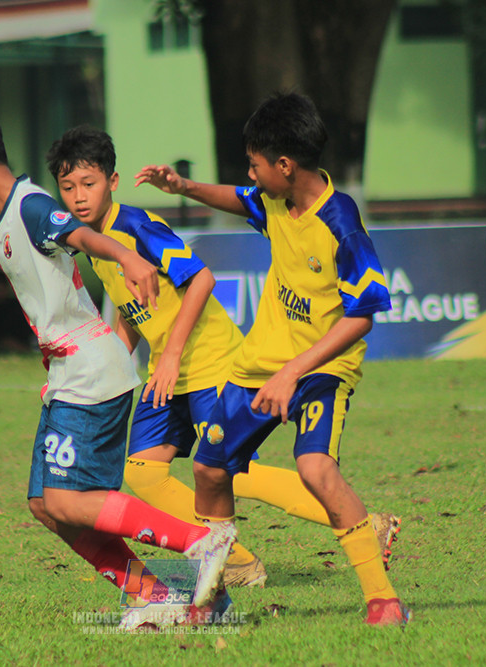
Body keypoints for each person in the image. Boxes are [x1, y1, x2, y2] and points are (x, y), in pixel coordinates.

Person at [0, 99, 238, 629]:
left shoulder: (31, 206)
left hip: (92, 370)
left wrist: (126, 256)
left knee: (70, 501)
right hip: (67, 373)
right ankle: (151, 594)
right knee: (44, 504)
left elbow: (78, 235)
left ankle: (202, 541)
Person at [45, 125, 402, 591]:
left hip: (209, 361)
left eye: (87, 185)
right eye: (67, 188)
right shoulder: (93, 242)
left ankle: (362, 526)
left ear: (112, 182)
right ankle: (234, 556)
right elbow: (133, 309)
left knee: (232, 469)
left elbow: (201, 279)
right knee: (143, 471)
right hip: (167, 371)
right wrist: (109, 364)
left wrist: (171, 355)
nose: (77, 197)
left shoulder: (137, 228)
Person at [135, 92, 411, 626]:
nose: (251, 174)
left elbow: (364, 315)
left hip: (322, 370)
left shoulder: (341, 222)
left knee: (316, 469)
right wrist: (185, 188)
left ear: (285, 165)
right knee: (209, 470)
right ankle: (213, 599)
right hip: (257, 366)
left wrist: (293, 372)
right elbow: (242, 198)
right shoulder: (278, 199)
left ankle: (383, 599)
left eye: (256, 164)